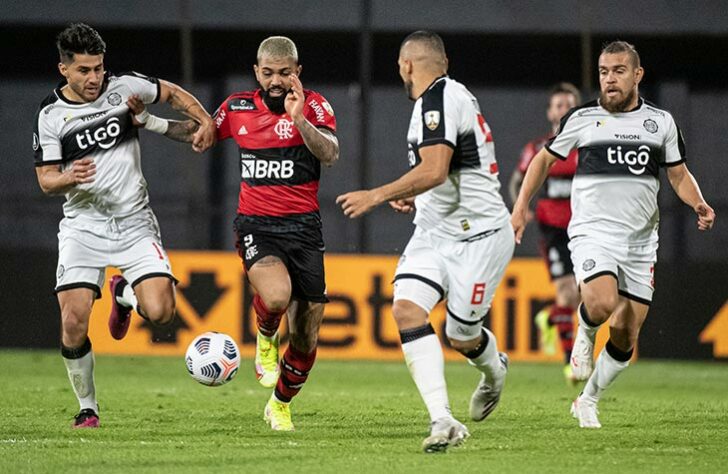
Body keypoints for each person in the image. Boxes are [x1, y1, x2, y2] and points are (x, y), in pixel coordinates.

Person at [512, 41, 715, 429]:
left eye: (619, 71)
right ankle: (584, 338)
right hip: (592, 232)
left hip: (641, 242)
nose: (609, 79)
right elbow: (542, 160)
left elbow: (677, 174)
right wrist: (521, 207)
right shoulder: (583, 118)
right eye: (604, 71)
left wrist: (699, 203)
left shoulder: (661, 123)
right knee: (602, 303)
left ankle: (587, 400)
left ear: (637, 75)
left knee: (625, 334)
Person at [337, 31, 513, 452]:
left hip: (480, 236)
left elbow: (435, 169)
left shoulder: (438, 99)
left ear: (406, 65)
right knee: (405, 309)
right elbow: (447, 170)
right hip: (434, 232)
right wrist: (414, 194)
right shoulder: (438, 100)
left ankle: (494, 372)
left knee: (462, 335)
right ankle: (443, 419)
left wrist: (379, 194)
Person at [33, 23, 215, 428]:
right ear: (64, 69)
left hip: (134, 222)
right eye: (83, 70)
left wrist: (205, 120)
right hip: (83, 225)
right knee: (73, 321)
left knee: (163, 311)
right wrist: (68, 177)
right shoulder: (51, 116)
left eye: (98, 68)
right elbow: (46, 179)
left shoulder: (124, 87)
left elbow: (171, 93)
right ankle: (88, 407)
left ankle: (124, 297)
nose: (94, 78)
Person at [509, 83, 581, 383]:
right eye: (558, 105)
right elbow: (516, 181)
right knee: (567, 293)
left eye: (568, 104)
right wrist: (520, 206)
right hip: (553, 230)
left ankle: (550, 317)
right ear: (551, 112)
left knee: (583, 298)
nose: (563, 109)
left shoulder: (589, 147)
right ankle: (571, 363)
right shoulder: (537, 149)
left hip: (586, 229)